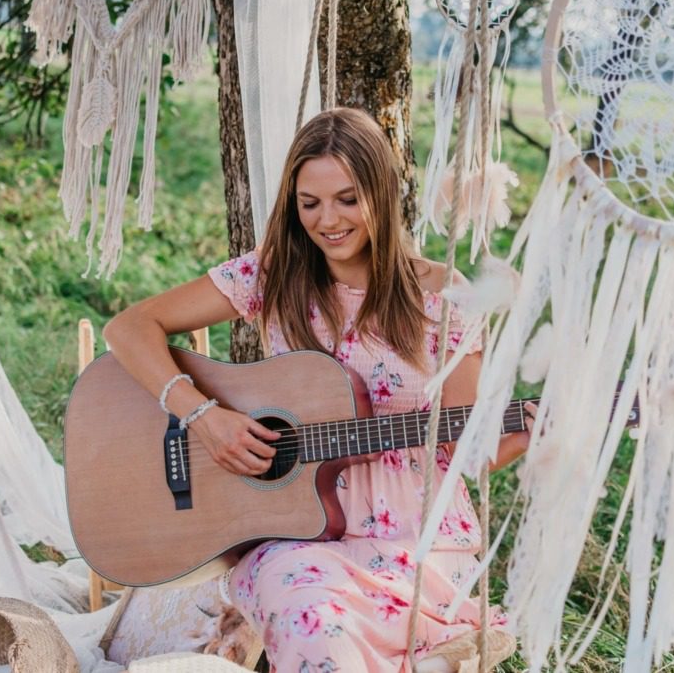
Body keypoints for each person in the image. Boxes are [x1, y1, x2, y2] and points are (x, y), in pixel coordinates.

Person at [103, 107, 535, 672]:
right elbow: (128, 328)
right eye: (310, 204)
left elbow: (464, 449)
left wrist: (531, 433)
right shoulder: (272, 276)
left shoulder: (439, 294)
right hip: (293, 534)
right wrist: (202, 416)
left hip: (415, 537)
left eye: (347, 199)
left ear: (381, 194)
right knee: (312, 622)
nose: (328, 220)